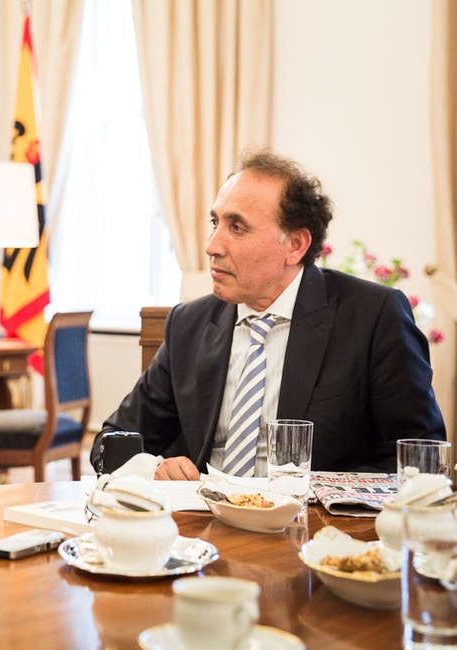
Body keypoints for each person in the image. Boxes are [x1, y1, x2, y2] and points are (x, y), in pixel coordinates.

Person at [91, 149, 446, 481]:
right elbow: (110, 442)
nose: (212, 246)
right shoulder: (189, 324)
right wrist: (151, 467)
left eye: (237, 227)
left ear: (294, 245)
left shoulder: (372, 317)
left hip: (317, 536)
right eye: (214, 222)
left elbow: (420, 460)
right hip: (204, 533)